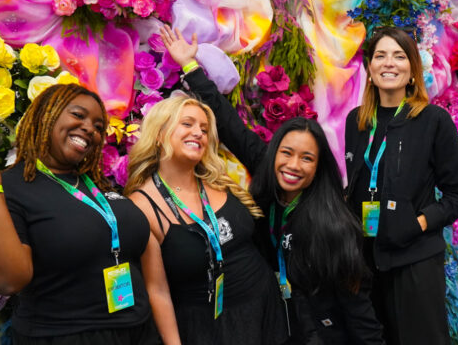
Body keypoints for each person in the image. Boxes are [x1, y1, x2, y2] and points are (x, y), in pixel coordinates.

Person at [160, 25, 383, 344]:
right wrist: (190, 66)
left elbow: (360, 312)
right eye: (287, 153)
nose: (293, 165)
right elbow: (230, 124)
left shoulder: (333, 225)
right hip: (272, 325)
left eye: (307, 158)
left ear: (319, 167)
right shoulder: (267, 172)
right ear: (274, 152)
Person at [0, 83, 162, 345]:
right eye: (78, 115)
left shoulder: (97, 186)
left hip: (139, 331)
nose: (90, 128)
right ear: (46, 116)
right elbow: (8, 281)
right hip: (64, 335)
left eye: (99, 127)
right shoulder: (7, 188)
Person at [125, 95, 289, 345]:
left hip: (264, 307)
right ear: (159, 134)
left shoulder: (218, 180)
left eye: (204, 128)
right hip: (208, 328)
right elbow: (157, 290)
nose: (198, 133)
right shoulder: (143, 205)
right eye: (188, 124)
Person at [344, 27, 458, 344]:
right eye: (381, 56)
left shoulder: (433, 121)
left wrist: (417, 223)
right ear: (370, 69)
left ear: (412, 69)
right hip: (365, 259)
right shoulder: (356, 120)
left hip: (414, 259)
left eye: (399, 56)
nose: (390, 63)